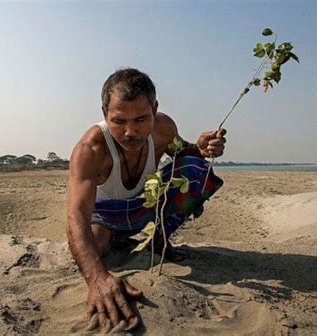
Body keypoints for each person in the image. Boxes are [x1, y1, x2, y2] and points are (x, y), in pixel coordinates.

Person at [67, 68, 226, 332]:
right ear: (105, 113)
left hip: (146, 206)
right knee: (95, 247)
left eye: (141, 119)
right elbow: (76, 216)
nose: (131, 132)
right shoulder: (90, 149)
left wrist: (199, 148)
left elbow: (182, 152)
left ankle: (159, 239)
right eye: (119, 121)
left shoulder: (164, 127)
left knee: (196, 168)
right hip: (106, 215)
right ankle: (118, 239)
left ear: (155, 109)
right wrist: (97, 279)